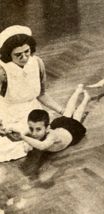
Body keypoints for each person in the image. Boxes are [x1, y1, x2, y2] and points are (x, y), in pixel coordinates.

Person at [0, 25, 64, 161]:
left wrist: (62, 110)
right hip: (7, 115)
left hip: (33, 115)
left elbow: (41, 94)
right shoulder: (2, 72)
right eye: (18, 55)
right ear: (8, 55)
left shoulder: (38, 63)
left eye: (27, 52)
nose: (24, 57)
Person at [9, 84, 89, 178]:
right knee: (67, 111)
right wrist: (7, 132)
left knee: (77, 116)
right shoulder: (37, 130)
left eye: (38, 129)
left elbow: (42, 146)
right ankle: (78, 91)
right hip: (59, 126)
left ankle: (86, 99)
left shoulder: (52, 136)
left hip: (72, 130)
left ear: (47, 128)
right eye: (31, 128)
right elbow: (16, 137)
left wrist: (23, 137)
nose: (34, 133)